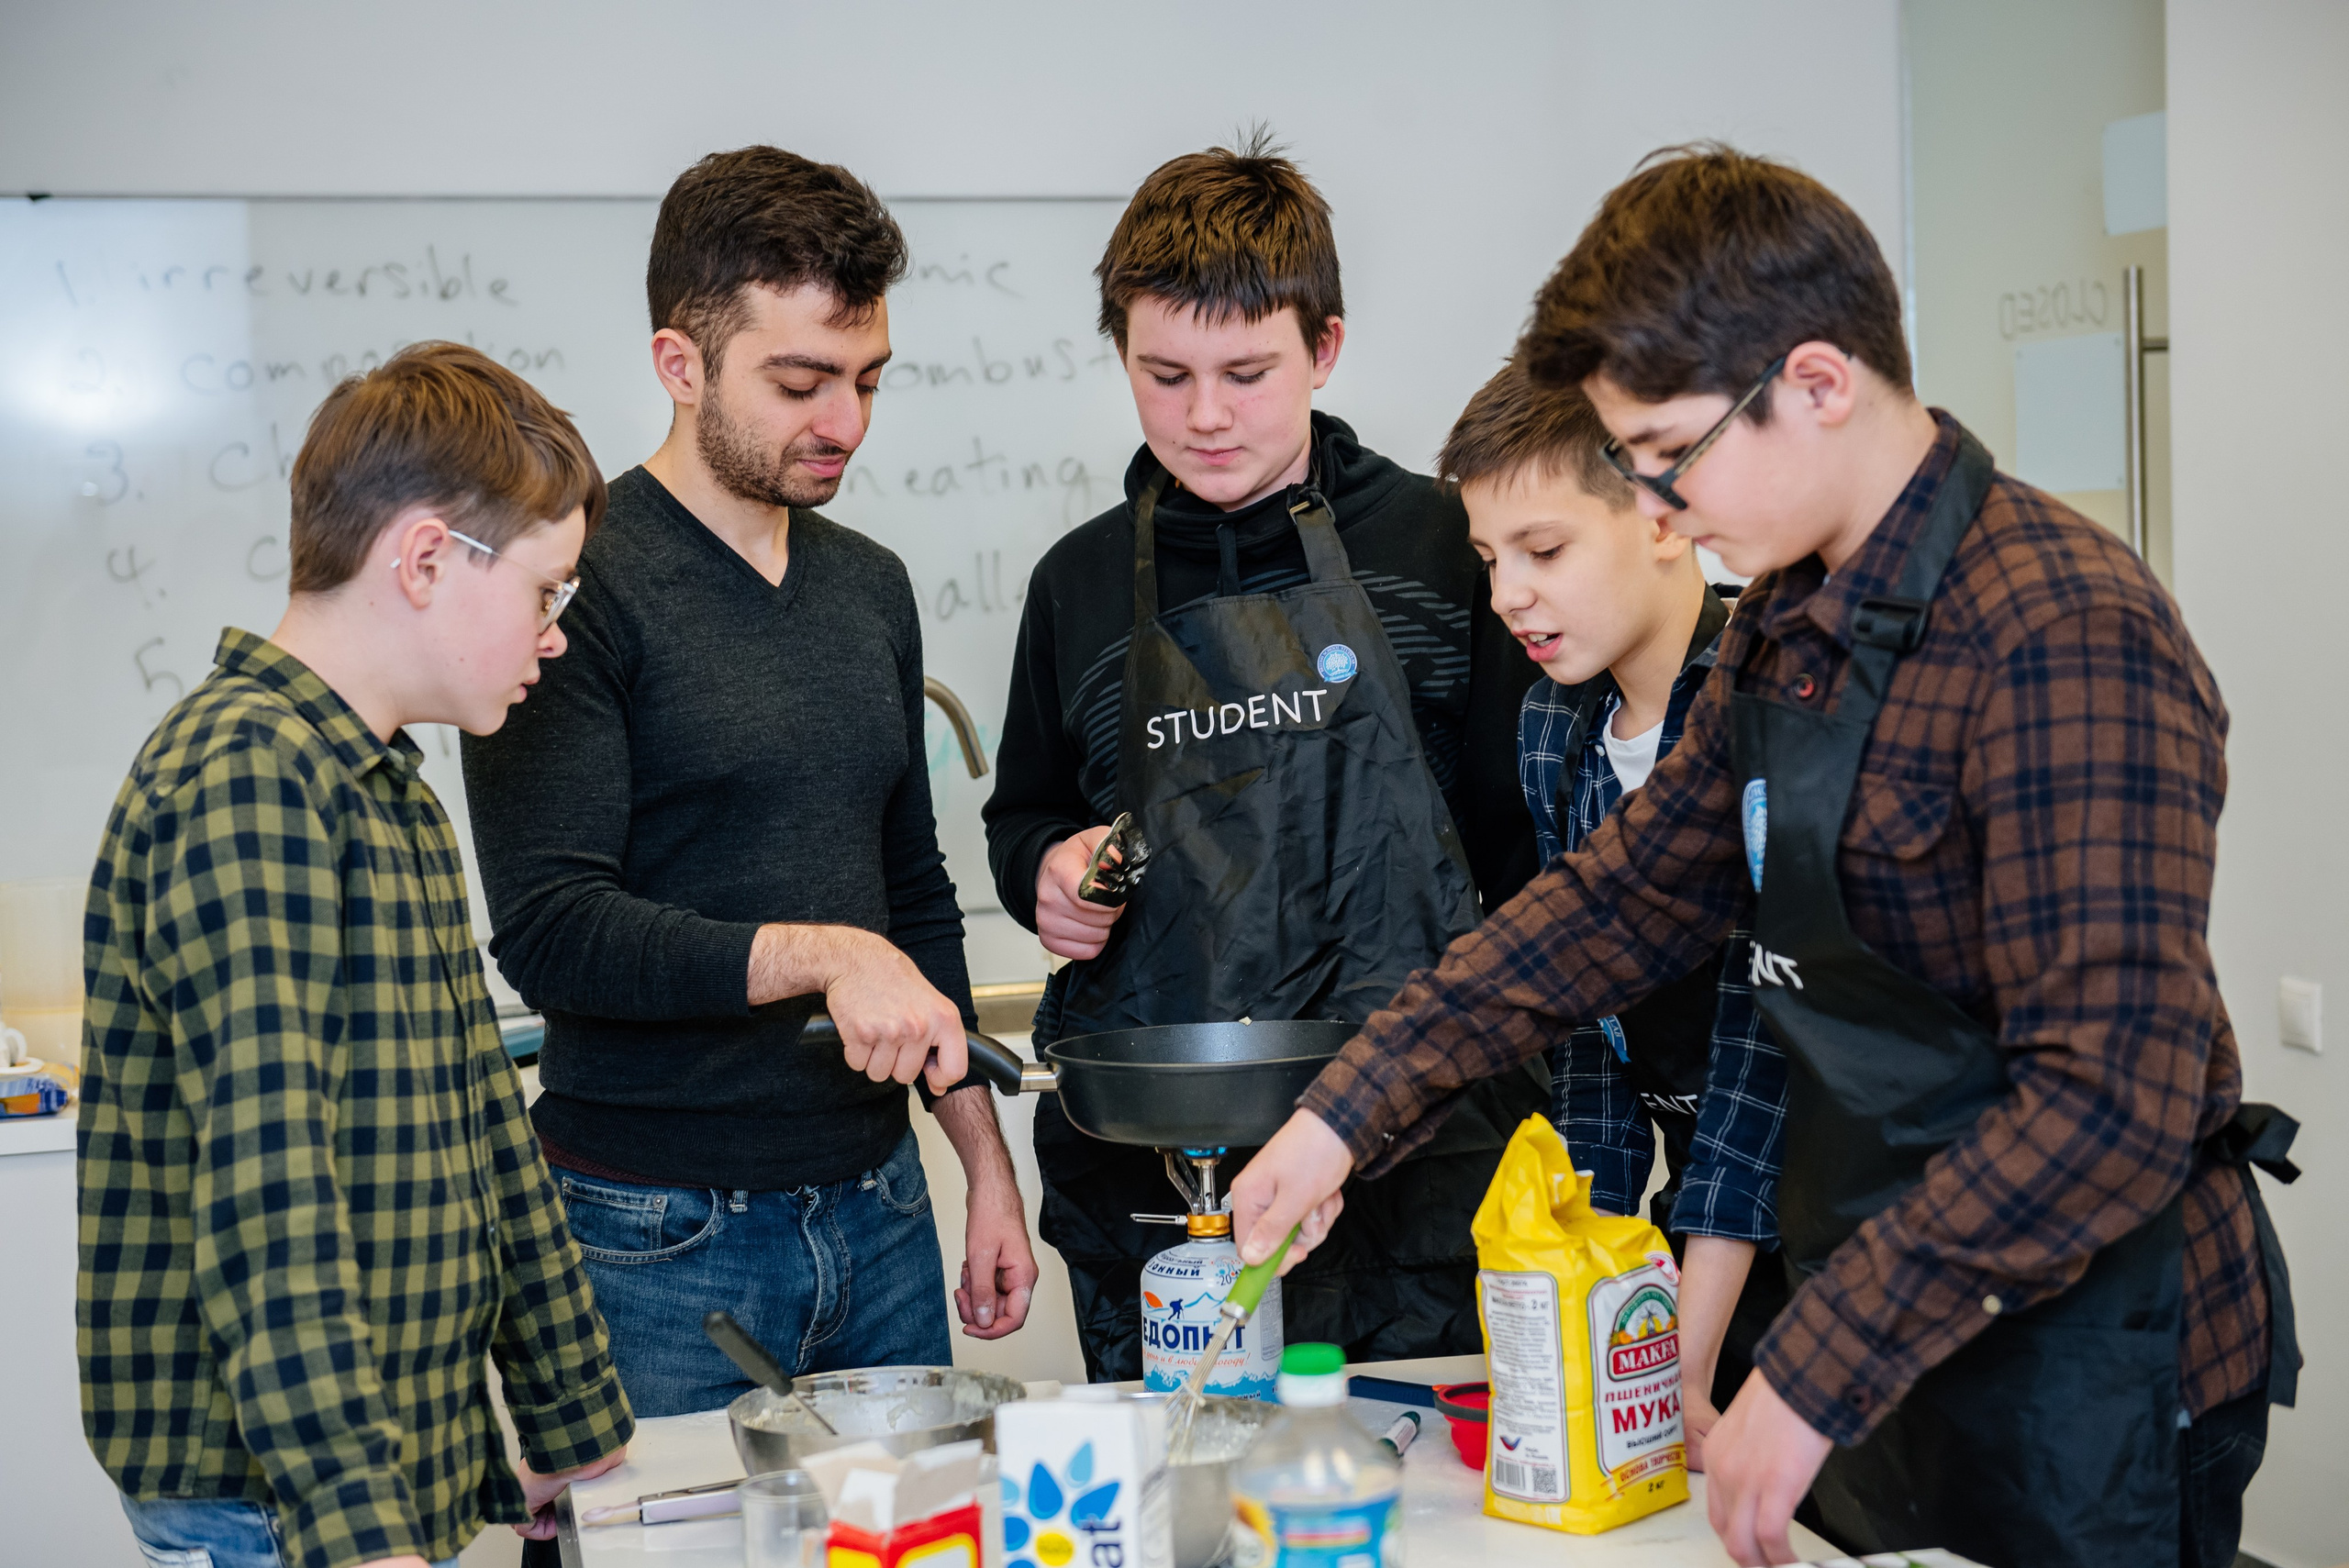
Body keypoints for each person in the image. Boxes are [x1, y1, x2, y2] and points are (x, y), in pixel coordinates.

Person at [1230, 145, 2299, 1568]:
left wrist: (1813, 1360)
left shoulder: (2060, 631)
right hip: (1887, 1326)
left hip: (2089, 1357)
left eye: (1670, 458)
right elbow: (1609, 910)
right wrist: (1343, 1116)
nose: (1662, 513)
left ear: (1815, 381)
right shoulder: (1789, 629)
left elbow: (2111, 1096)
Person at [461, 147, 1037, 1418]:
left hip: (881, 1209)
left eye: (868, 380)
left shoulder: (870, 587)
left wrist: (985, 1167)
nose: (846, 422)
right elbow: (555, 933)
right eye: (801, 382)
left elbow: (911, 895)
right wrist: (824, 954)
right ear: (681, 364)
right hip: (652, 1239)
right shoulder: (571, 589)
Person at [982, 131, 1544, 1382]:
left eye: (1246, 371)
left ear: (1326, 346)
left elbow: (1525, 851)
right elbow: (1020, 815)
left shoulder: (1449, 547)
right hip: (1164, 1167)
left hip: (1425, 1161)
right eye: (1163, 373)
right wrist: (1050, 873)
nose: (1206, 416)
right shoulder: (1075, 584)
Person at [79, 343, 632, 1568]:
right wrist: (355, 1527)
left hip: (388, 1466)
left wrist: (576, 1426)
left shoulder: (390, 793)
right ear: (428, 558)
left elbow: (491, 1126)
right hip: (277, 1504)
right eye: (548, 592)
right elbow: (268, 1190)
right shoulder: (249, 779)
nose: (554, 637)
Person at [1437, 357, 1789, 1466]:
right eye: (1489, 560)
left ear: (1664, 518)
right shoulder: (1554, 725)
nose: (1507, 596)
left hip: (1813, 1225)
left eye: (1542, 551)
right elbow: (1587, 1028)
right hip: (1690, 1226)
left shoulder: (1764, 702)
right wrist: (1576, 1289)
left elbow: (1755, 1055)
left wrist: (1676, 1363)